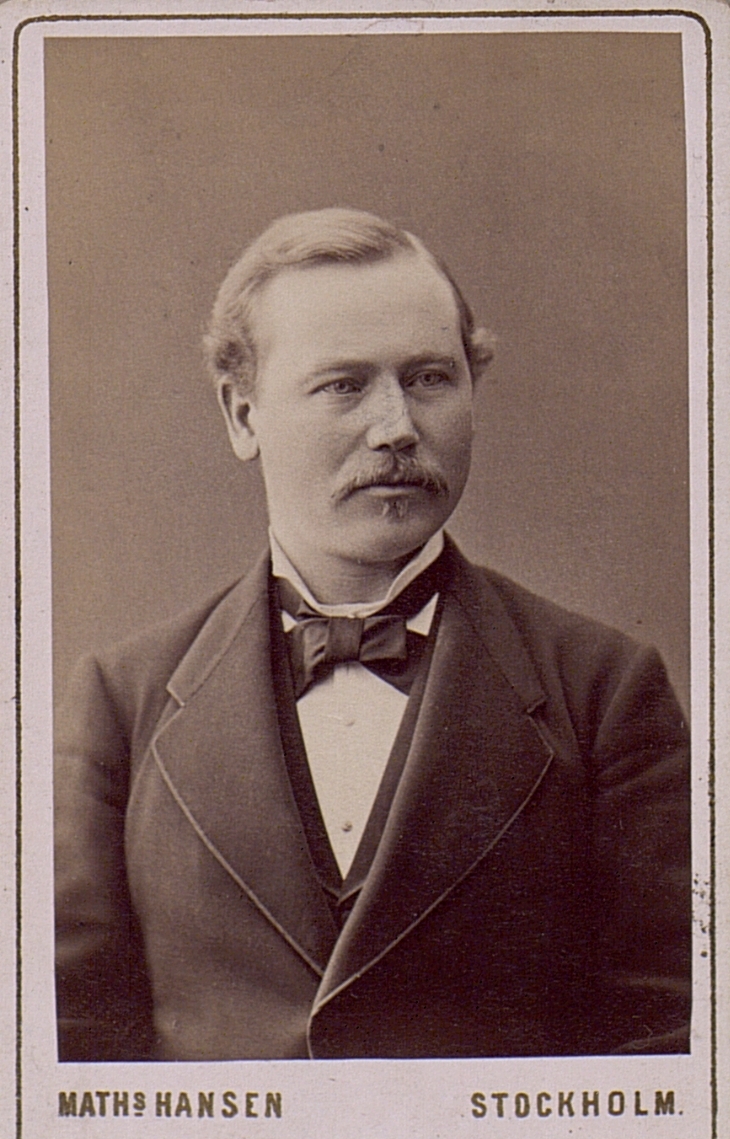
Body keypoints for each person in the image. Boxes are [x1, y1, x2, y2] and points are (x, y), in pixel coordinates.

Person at [54, 208, 691, 1062]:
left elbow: (668, 1045)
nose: (396, 426)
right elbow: (68, 1047)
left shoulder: (605, 690)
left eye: (429, 378)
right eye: (343, 385)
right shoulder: (120, 702)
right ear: (242, 415)